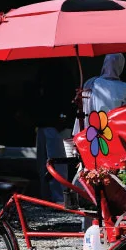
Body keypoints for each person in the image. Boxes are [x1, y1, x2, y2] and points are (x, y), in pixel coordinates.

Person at [33, 63, 74, 203]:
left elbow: (68, 96)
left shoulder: (62, 72)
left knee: (57, 161)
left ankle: (60, 197)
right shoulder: (45, 70)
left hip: (56, 123)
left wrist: (64, 118)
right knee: (45, 162)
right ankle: (47, 196)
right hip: (46, 121)